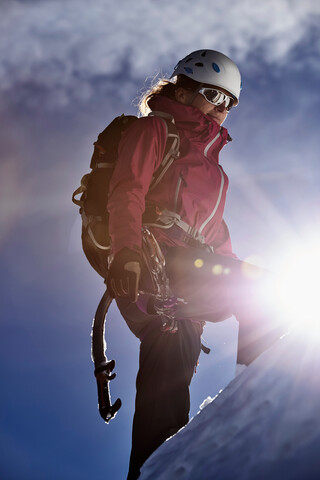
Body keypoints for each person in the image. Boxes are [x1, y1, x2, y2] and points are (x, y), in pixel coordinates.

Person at [85, 49, 286, 479]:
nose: (221, 108)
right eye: (214, 95)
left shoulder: (215, 171)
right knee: (256, 293)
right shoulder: (155, 129)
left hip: (187, 274)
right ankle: (264, 395)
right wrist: (126, 254)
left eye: (230, 102)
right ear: (186, 88)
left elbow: (217, 240)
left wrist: (233, 274)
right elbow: (127, 192)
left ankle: (157, 469)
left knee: (173, 361)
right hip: (150, 261)